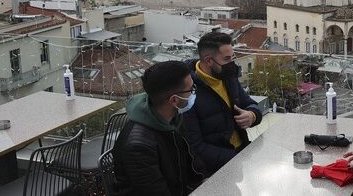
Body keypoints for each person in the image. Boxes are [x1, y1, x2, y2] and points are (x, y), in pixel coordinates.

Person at [113, 61, 204, 196]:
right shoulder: (138, 147)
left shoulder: (173, 119)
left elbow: (191, 164)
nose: (193, 93)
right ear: (174, 100)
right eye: (191, 89)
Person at [183, 32, 263, 177]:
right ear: (208, 61)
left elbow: (250, 103)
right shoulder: (188, 91)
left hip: (241, 155)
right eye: (227, 59)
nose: (231, 63)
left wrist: (252, 115)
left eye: (232, 57)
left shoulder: (227, 76)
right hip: (215, 170)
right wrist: (234, 158)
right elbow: (195, 146)